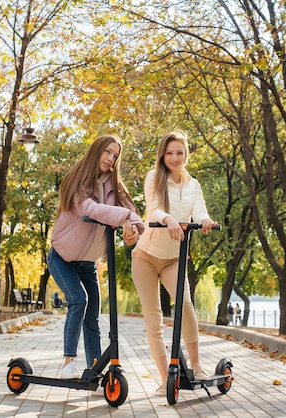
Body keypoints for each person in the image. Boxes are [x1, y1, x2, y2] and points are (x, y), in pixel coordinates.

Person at [48, 134, 145, 380]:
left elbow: (132, 213)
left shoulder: (115, 187)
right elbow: (92, 209)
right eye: (108, 152)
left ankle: (94, 366)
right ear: (97, 151)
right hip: (61, 257)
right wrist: (123, 218)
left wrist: (134, 230)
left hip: (88, 262)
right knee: (78, 301)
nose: (111, 158)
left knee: (93, 314)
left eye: (115, 155)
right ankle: (69, 362)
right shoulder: (77, 182)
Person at [131, 130, 218, 396]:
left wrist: (204, 220)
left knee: (186, 306)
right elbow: (153, 208)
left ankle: (197, 365)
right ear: (162, 154)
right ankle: (164, 379)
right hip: (145, 256)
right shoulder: (154, 177)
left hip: (173, 258)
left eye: (179, 153)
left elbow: (200, 209)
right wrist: (168, 220)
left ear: (186, 155)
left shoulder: (193, 184)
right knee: (153, 318)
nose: (174, 158)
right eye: (169, 153)